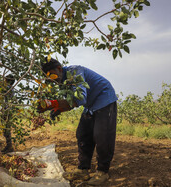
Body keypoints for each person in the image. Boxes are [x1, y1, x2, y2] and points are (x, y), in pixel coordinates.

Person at [37, 58, 118, 186]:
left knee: (102, 136)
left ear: (59, 69)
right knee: (82, 134)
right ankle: (82, 170)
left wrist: (53, 104)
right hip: (90, 105)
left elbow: (80, 98)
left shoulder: (74, 72)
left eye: (53, 75)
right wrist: (58, 109)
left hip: (104, 99)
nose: (52, 80)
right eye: (49, 78)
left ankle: (103, 171)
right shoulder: (63, 81)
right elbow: (72, 101)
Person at [1, 74, 15, 153]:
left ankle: (9, 146)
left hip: (7, 110)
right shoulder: (10, 88)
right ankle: (8, 146)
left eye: (5, 80)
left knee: (6, 129)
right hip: (8, 110)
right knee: (6, 128)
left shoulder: (7, 88)